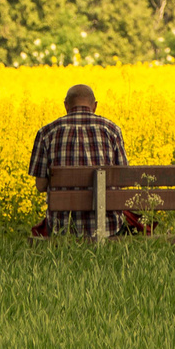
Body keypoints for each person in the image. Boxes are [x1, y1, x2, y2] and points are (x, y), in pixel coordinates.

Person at [28, 83, 128, 237]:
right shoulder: (112, 130)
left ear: (66, 105)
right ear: (94, 106)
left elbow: (41, 185)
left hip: (61, 226)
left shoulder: (46, 132)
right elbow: (123, 179)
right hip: (108, 225)